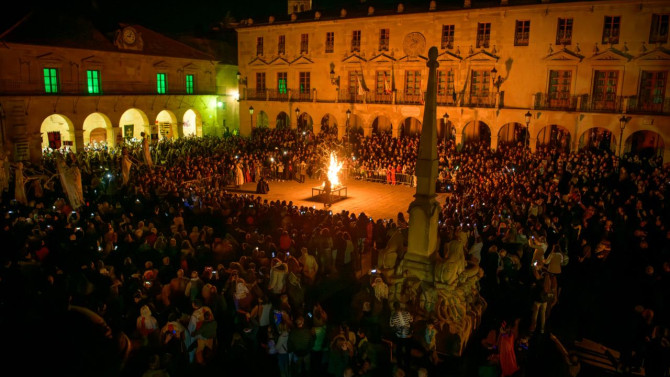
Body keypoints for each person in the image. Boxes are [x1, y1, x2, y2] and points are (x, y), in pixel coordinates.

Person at [389, 301, 413, 369]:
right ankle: (407, 366)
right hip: (408, 336)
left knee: (399, 351)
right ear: (400, 307)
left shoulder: (393, 316)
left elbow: (391, 326)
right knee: (407, 351)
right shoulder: (407, 313)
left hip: (400, 337)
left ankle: (400, 366)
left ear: (394, 308)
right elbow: (411, 321)